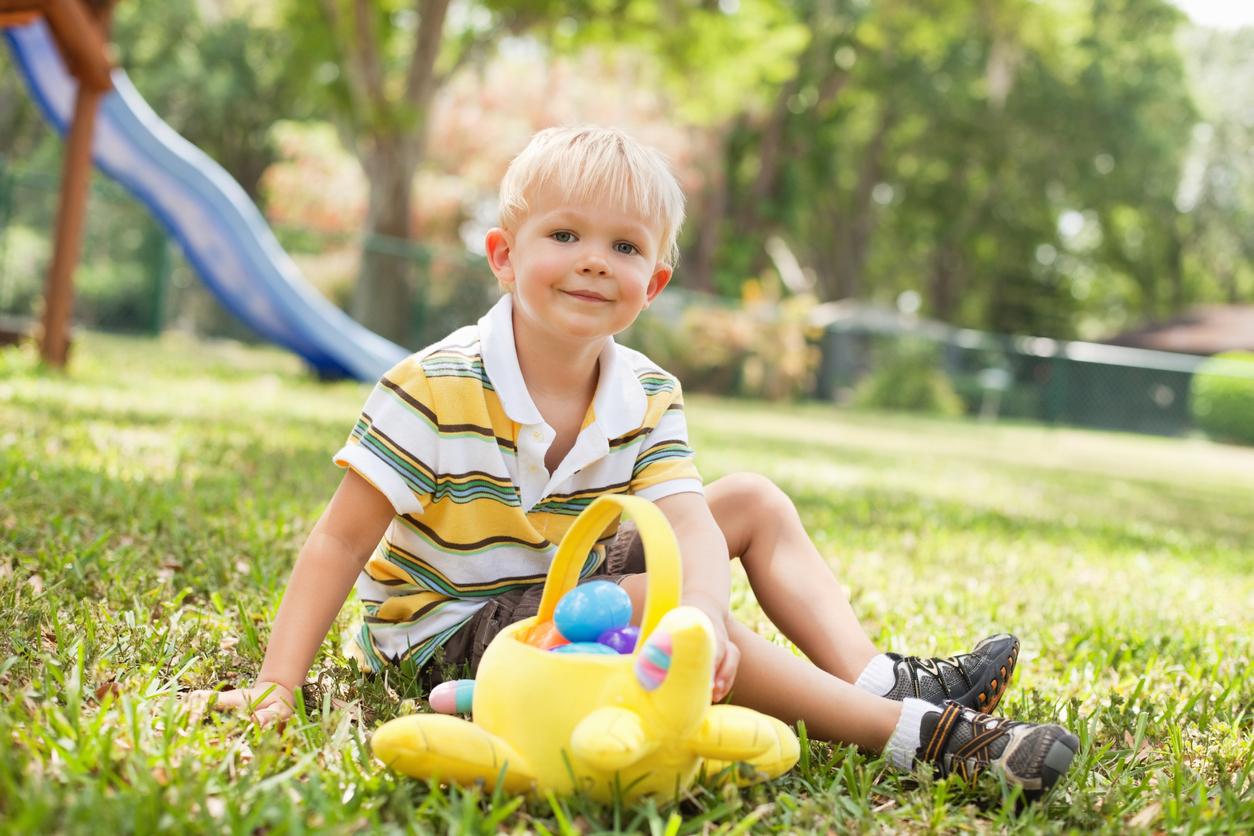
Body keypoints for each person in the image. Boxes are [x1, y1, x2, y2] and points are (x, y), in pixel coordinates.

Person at [193, 125, 1077, 801]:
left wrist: (694, 610)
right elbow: (339, 544)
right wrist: (279, 683)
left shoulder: (648, 390)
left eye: (623, 247)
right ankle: (916, 733)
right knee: (688, 628)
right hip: (451, 631)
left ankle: (874, 674)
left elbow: (689, 521)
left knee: (750, 506)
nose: (591, 263)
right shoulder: (432, 385)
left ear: (652, 283)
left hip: (566, 586)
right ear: (506, 258)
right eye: (564, 236)